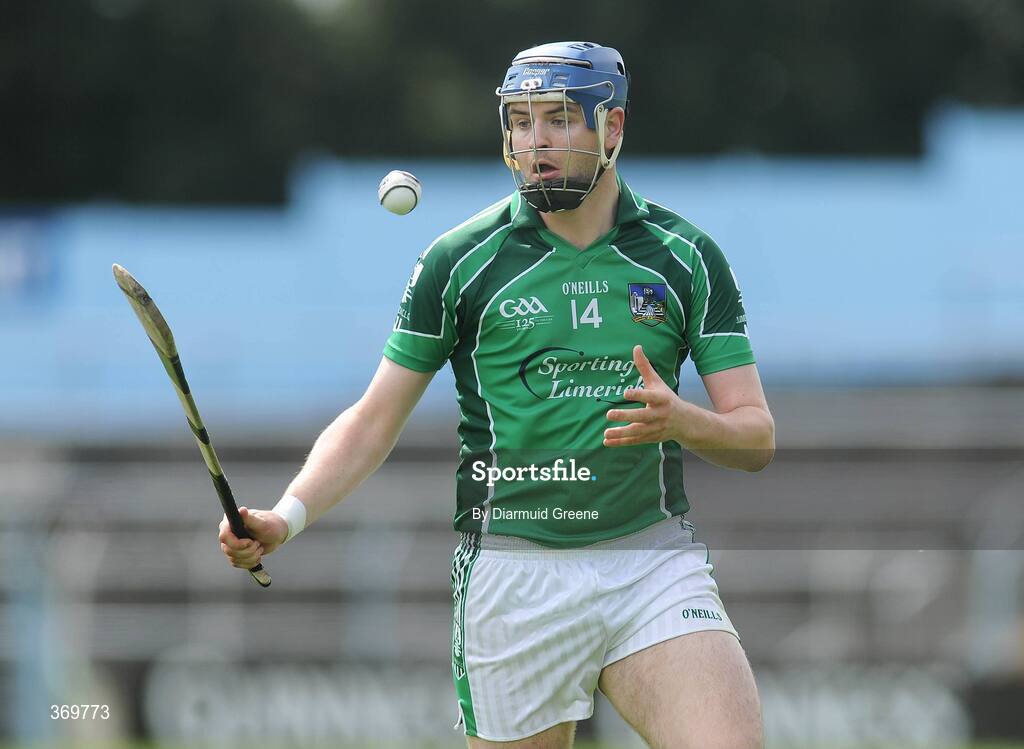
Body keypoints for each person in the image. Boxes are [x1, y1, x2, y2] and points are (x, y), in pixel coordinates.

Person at [220, 40, 773, 749]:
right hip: (514, 575)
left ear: (614, 128)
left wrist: (683, 419)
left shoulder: (684, 256)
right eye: (520, 119)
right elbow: (371, 419)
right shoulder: (459, 263)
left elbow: (756, 436)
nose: (534, 140)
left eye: (559, 118)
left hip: (651, 563)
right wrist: (287, 515)